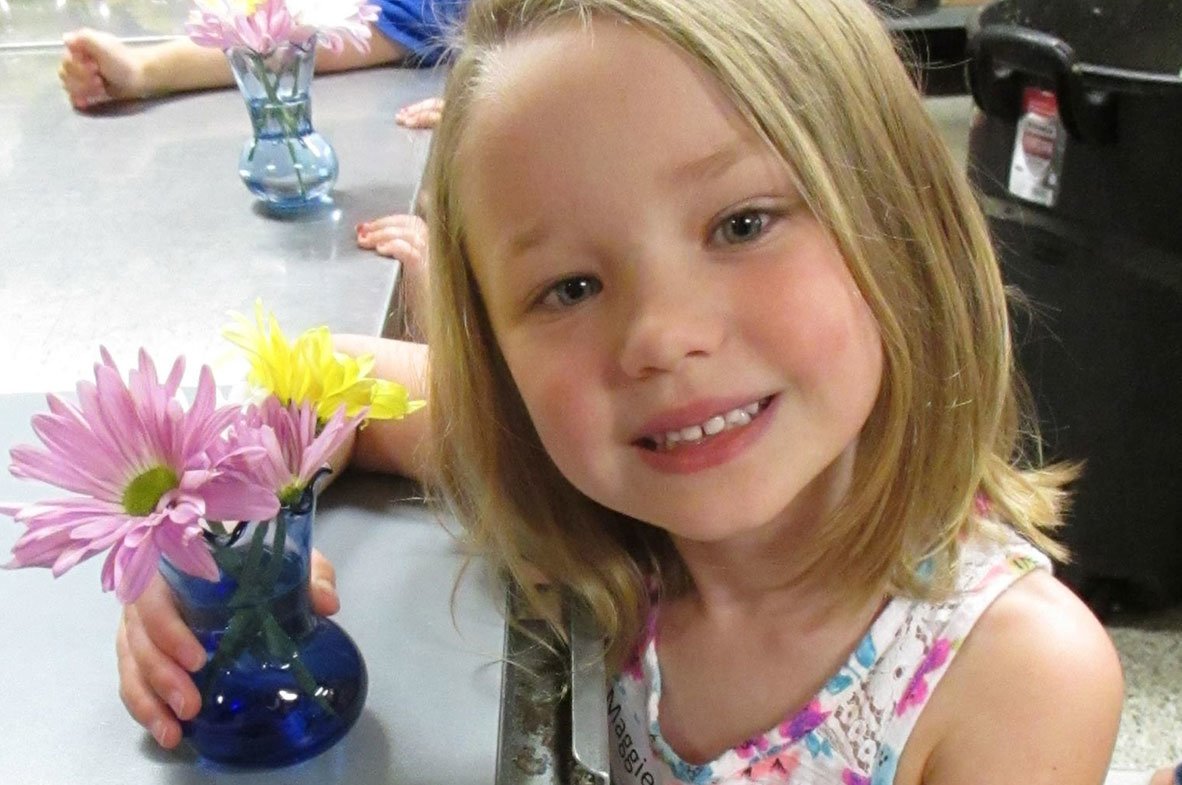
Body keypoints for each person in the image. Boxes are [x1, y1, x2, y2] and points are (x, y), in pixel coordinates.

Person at [115, 0, 1129, 782]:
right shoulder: (588, 471)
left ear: (902, 224)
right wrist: (207, 552)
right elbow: (297, 383)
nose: (658, 337)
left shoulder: (1016, 681)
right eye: (570, 286)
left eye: (741, 224)